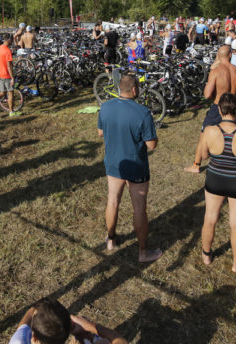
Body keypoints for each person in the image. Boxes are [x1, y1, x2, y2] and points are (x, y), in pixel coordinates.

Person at [186, 93, 236, 272]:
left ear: (219, 110)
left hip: (215, 179)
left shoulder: (209, 130)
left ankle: (206, 255)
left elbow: (204, 155)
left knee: (210, 218)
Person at [97, 74, 162, 263]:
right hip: (136, 166)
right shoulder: (142, 112)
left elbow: (100, 132)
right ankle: (143, 252)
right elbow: (151, 145)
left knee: (112, 202)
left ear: (119, 88)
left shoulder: (106, 106)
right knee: (139, 209)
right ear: (134, 90)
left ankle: (111, 239)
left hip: (114, 163)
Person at [9, 298, 128, 344]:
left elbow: (23, 326)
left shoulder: (18, 342)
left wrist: (35, 308)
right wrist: (91, 326)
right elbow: (121, 341)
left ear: (34, 337)